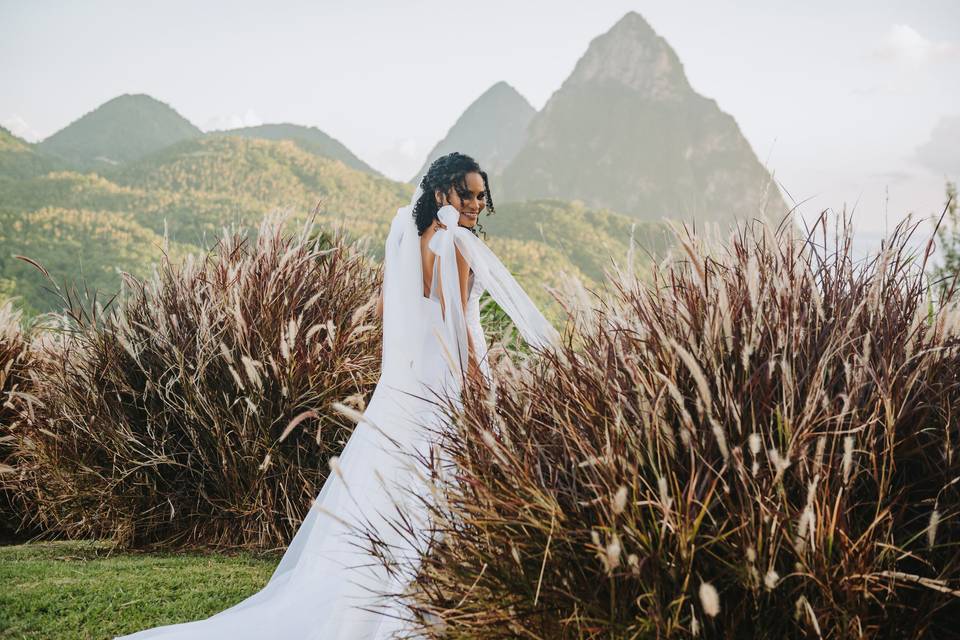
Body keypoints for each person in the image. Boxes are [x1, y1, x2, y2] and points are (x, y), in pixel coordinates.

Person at [115, 152, 559, 639]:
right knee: (443, 476)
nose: (475, 202)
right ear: (440, 194)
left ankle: (384, 582)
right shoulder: (454, 242)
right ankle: (441, 594)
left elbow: (399, 314)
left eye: (480, 194)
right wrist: (474, 384)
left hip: (412, 383)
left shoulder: (415, 240)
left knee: (394, 481)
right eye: (466, 193)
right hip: (449, 376)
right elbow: (456, 328)